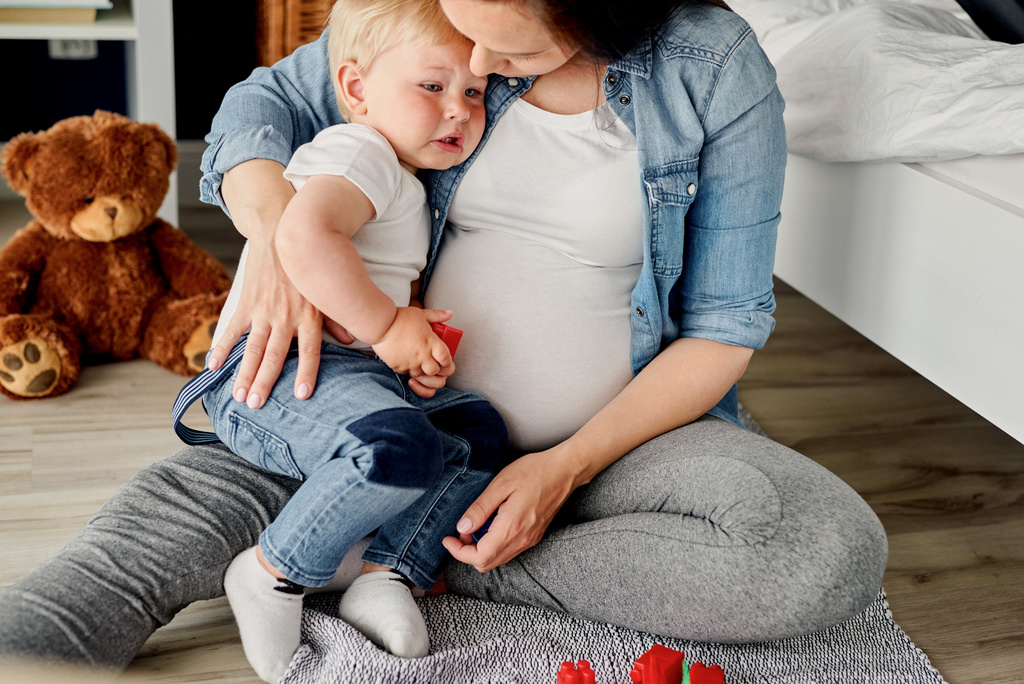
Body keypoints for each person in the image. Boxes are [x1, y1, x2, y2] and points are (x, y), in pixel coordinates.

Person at [0, 0, 888, 673]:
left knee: (818, 553)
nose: (477, 64)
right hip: (364, 407)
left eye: (510, 53)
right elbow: (260, 106)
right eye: (463, 38)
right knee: (111, 576)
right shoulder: (434, 18)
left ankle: (415, 548)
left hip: (608, 450)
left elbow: (726, 329)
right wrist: (279, 234)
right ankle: (385, 529)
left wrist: (562, 469)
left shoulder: (711, 66)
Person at [170, 0, 504, 679]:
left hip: (347, 373)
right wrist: (386, 327)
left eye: (474, 92)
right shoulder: (361, 152)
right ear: (355, 89)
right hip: (276, 373)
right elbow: (301, 236)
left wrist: (410, 343)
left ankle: (386, 573)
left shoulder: (403, 176)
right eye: (433, 86)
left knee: (478, 432)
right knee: (399, 448)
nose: (459, 110)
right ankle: (271, 573)